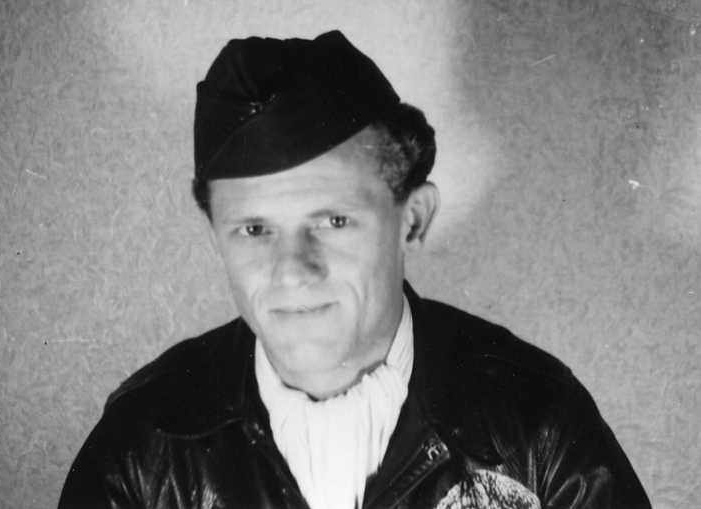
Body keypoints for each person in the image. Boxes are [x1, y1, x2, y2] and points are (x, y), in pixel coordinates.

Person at [59, 31, 651, 509]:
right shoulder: (141, 445)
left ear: (412, 219)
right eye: (255, 230)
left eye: (333, 221)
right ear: (215, 235)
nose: (292, 271)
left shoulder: (540, 424)